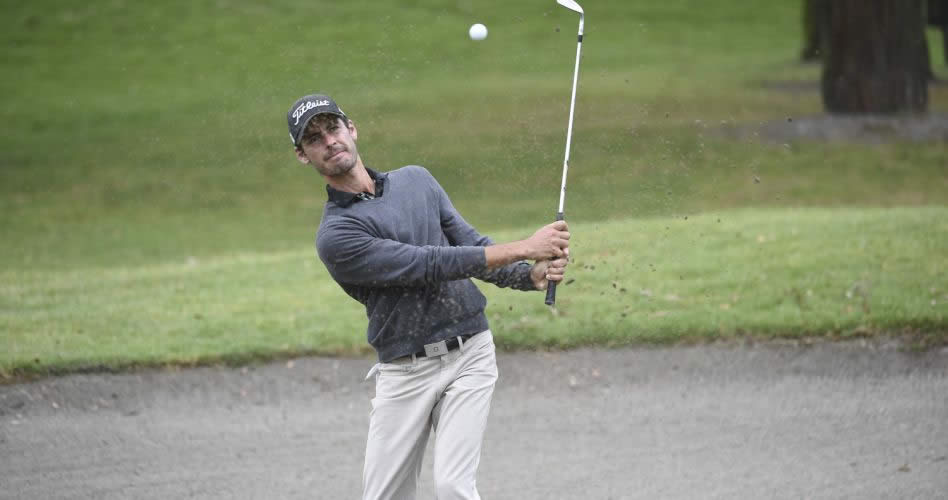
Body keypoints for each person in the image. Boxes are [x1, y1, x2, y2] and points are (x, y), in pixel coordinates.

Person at [286, 94, 570, 500]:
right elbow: (428, 264)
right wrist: (525, 246)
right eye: (314, 139)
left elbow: (470, 245)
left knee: (454, 486)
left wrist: (529, 275)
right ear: (303, 155)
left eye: (333, 128)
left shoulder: (416, 180)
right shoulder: (336, 235)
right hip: (405, 371)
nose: (329, 141)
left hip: (470, 354)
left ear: (352, 129)